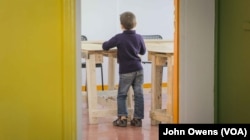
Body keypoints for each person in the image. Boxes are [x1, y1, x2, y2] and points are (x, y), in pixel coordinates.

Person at [102, 11, 146, 127]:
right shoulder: (139, 37)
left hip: (126, 71)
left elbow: (105, 46)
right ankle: (137, 119)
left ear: (121, 25)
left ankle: (122, 118)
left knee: (122, 95)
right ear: (135, 24)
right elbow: (143, 51)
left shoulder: (119, 38)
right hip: (139, 69)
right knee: (139, 94)